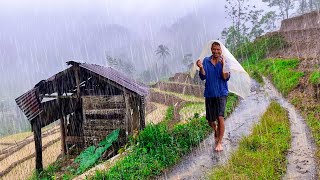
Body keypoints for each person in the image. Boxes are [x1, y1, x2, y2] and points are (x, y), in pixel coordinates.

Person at [196, 41, 230, 151]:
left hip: (221, 93)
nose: (216, 51)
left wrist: (224, 64)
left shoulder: (225, 61)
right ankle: (215, 130)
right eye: (214, 49)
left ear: (221, 50)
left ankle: (219, 142)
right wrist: (201, 67)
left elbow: (225, 77)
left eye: (218, 49)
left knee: (220, 117)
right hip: (210, 94)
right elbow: (203, 77)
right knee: (210, 120)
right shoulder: (206, 60)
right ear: (211, 49)